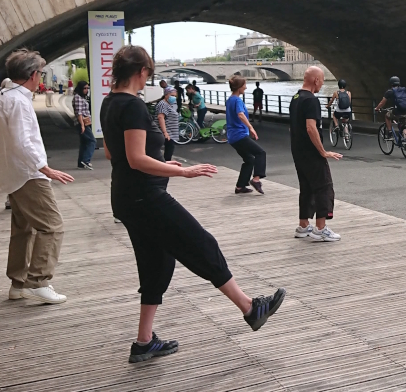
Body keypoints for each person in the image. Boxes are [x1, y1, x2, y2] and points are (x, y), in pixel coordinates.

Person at [100, 45, 284, 363]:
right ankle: (251, 308)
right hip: (146, 197)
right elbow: (136, 158)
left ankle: (144, 342)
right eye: (149, 75)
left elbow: (111, 154)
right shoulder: (131, 106)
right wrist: (183, 170)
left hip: (127, 198)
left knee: (157, 264)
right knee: (201, 244)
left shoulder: (108, 103)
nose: (148, 81)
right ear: (142, 72)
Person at [0, 48, 74, 305]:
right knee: (52, 226)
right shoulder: (18, 101)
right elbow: (23, 141)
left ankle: (18, 283)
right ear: (32, 74)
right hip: (29, 174)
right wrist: (45, 168)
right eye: (40, 73)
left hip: (12, 173)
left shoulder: (2, 96)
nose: (41, 78)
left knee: (22, 229)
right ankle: (39, 281)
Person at [291, 66, 343, 242]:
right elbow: (310, 127)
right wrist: (323, 151)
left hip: (298, 151)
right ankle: (321, 228)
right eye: (321, 80)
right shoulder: (311, 100)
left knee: (306, 187)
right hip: (311, 152)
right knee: (324, 187)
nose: (321, 84)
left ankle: (304, 225)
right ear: (315, 80)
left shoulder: (296, 98)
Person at [226, 76, 266, 195]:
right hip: (239, 135)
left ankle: (240, 186)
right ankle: (256, 179)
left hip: (233, 137)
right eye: (244, 85)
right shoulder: (237, 100)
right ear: (239, 87)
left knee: (249, 160)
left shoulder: (230, 99)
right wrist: (251, 127)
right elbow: (240, 114)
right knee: (260, 153)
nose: (246, 87)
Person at [73, 81, 94, 170]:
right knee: (92, 141)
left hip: (85, 122)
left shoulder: (81, 97)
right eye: (84, 88)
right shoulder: (78, 98)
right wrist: (82, 125)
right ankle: (86, 160)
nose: (86, 90)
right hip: (83, 123)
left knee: (84, 143)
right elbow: (79, 113)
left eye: (87, 88)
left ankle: (81, 162)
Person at [155, 86, 180, 162]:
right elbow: (160, 117)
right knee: (168, 151)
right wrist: (165, 132)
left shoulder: (170, 104)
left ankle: (165, 167)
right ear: (166, 95)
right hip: (167, 133)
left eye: (175, 96)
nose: (174, 97)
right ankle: (165, 168)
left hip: (171, 133)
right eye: (172, 95)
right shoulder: (163, 104)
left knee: (169, 150)